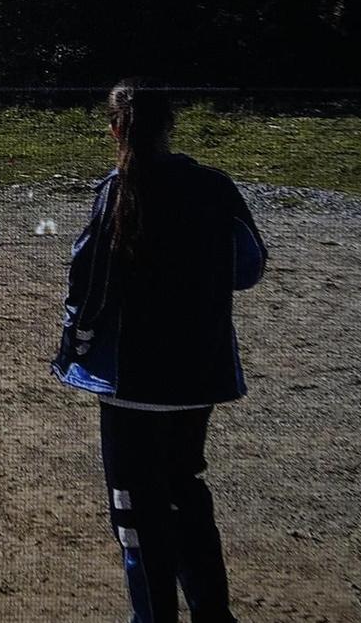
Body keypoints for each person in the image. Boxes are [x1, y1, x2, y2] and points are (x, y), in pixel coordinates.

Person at [50, 79, 268, 623]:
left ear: (115, 130)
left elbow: (90, 285)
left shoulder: (118, 190)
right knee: (186, 493)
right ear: (171, 127)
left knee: (136, 510)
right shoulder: (216, 187)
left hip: (133, 384)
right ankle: (213, 615)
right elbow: (250, 267)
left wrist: (72, 347)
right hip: (201, 376)